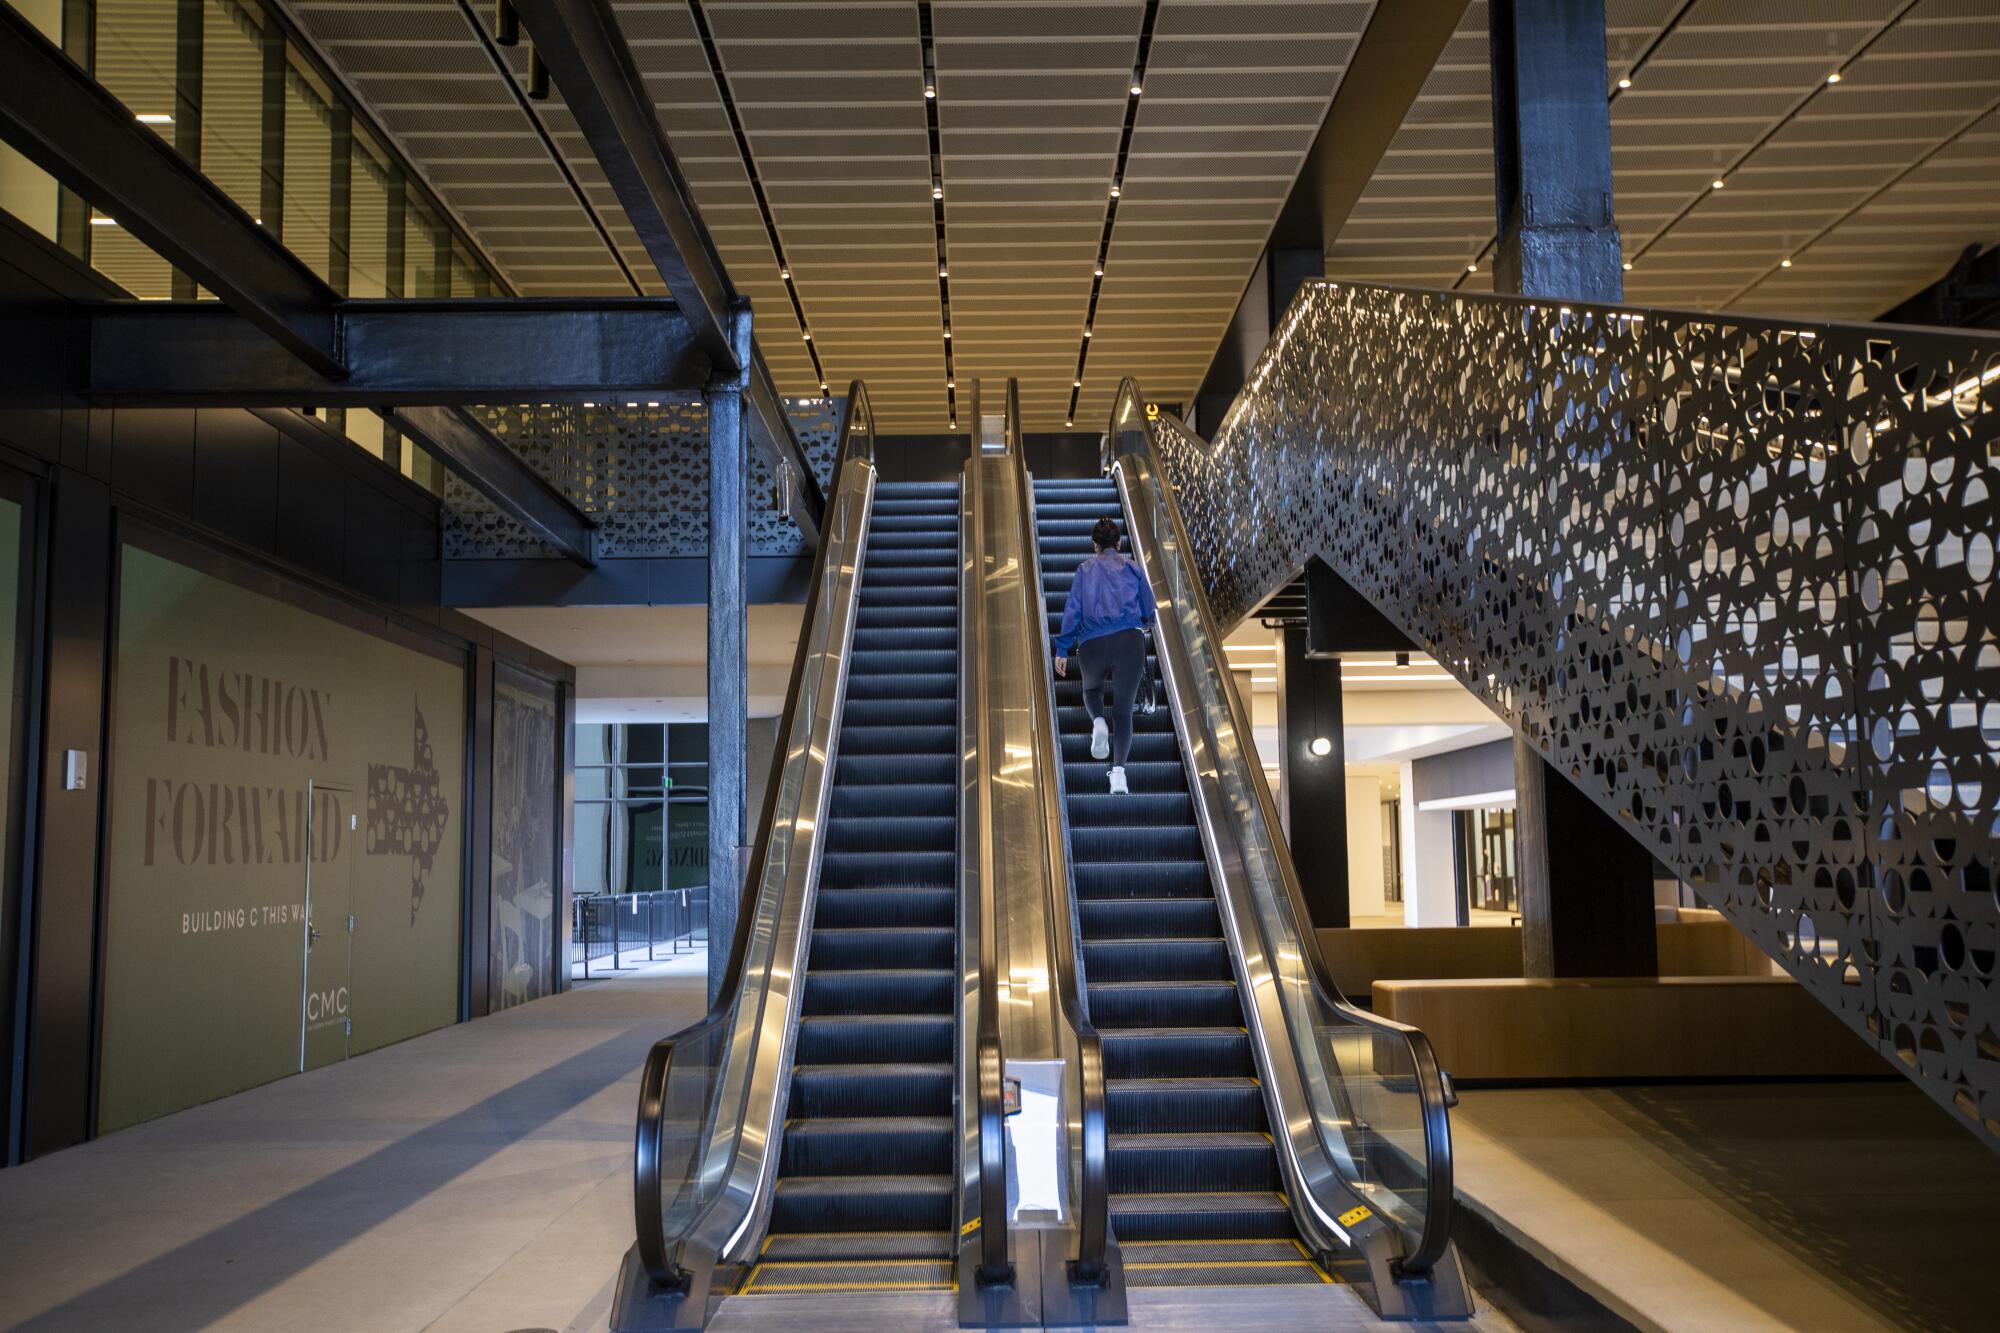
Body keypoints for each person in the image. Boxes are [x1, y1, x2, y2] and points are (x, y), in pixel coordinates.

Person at [1053, 516, 1156, 794]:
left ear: (1094, 544)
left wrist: (1062, 648)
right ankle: (1119, 774)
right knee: (1123, 712)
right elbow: (1149, 606)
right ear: (1119, 543)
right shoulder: (1133, 567)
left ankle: (1098, 721)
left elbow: (1073, 610)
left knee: (1092, 690)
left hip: (1092, 643)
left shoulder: (1084, 570)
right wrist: (1145, 623)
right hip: (1129, 641)